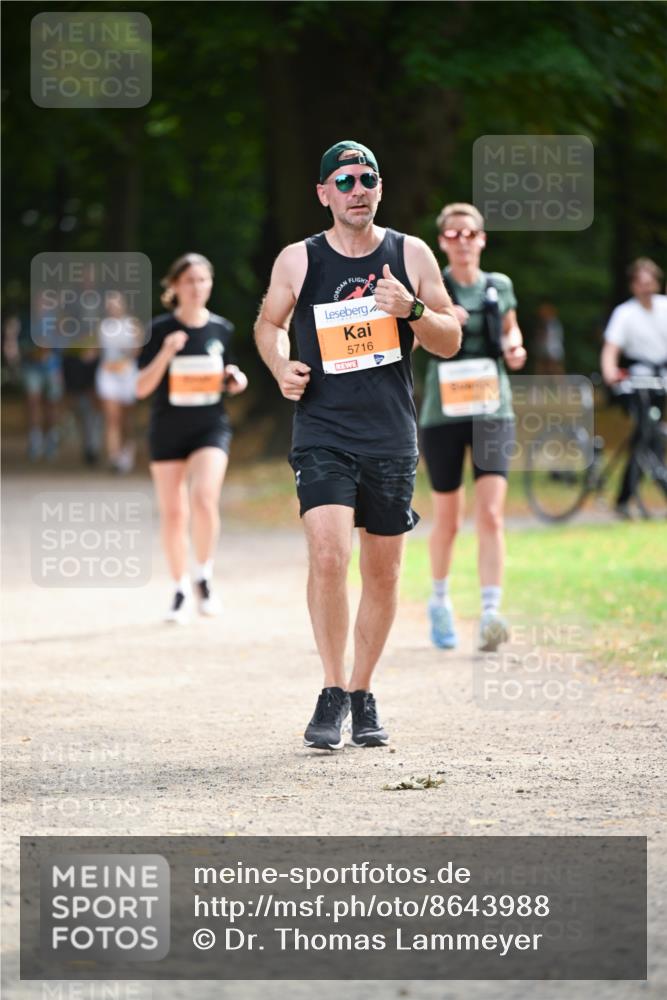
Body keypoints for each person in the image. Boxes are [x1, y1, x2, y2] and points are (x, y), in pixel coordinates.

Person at [255, 140, 461, 751]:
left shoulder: (411, 252)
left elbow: (449, 337)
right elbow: (269, 323)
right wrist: (280, 365)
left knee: (383, 570)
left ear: (380, 187)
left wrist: (413, 307)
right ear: (323, 194)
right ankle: (330, 688)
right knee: (327, 554)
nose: (357, 189)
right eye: (343, 181)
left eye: (367, 178)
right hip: (323, 429)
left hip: (390, 433)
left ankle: (362, 692)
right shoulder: (299, 260)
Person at [417, 202, 526, 653]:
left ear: (482, 239)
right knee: (448, 518)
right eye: (454, 234)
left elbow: (511, 332)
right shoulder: (432, 286)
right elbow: (419, 339)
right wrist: (442, 322)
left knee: (492, 515)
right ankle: (439, 602)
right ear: (442, 241)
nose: (463, 242)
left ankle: (490, 613)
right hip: (444, 413)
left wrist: (516, 350)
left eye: (470, 234)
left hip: (491, 409)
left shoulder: (499, 286)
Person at [136, 253, 248, 623]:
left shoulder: (222, 329)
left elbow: (227, 372)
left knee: (203, 498)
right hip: (168, 429)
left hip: (209, 426)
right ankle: (180, 588)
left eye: (203, 280)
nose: (197, 287)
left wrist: (235, 378)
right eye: (190, 281)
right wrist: (167, 351)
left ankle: (204, 575)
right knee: (173, 513)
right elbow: (141, 388)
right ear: (175, 286)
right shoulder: (159, 330)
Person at [600, 257, 667, 518]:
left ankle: (624, 499)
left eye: (651, 283)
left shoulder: (664, 308)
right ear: (633, 286)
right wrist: (610, 373)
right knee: (645, 435)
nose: (647, 288)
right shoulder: (625, 313)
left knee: (646, 437)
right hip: (637, 381)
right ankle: (631, 496)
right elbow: (611, 350)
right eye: (642, 283)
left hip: (661, 380)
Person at [3, 293, 64, 461]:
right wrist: (31, 350)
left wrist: (50, 351)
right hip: (31, 366)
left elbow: (62, 342)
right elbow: (17, 344)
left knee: (52, 404)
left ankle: (51, 438)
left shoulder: (55, 319)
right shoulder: (24, 319)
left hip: (52, 366)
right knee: (32, 401)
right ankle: (35, 438)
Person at [95, 290, 142, 473]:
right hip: (108, 374)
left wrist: (127, 353)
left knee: (126, 418)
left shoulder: (133, 325)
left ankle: (127, 451)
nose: (113, 307)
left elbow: (138, 350)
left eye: (116, 303)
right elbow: (100, 351)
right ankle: (114, 457)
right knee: (112, 417)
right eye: (110, 304)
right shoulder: (103, 326)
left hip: (128, 374)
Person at [533, 302, 565, 377]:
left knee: (554, 369)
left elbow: (548, 338)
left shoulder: (553, 323)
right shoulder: (547, 323)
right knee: (542, 369)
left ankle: (562, 386)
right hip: (546, 349)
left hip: (553, 349)